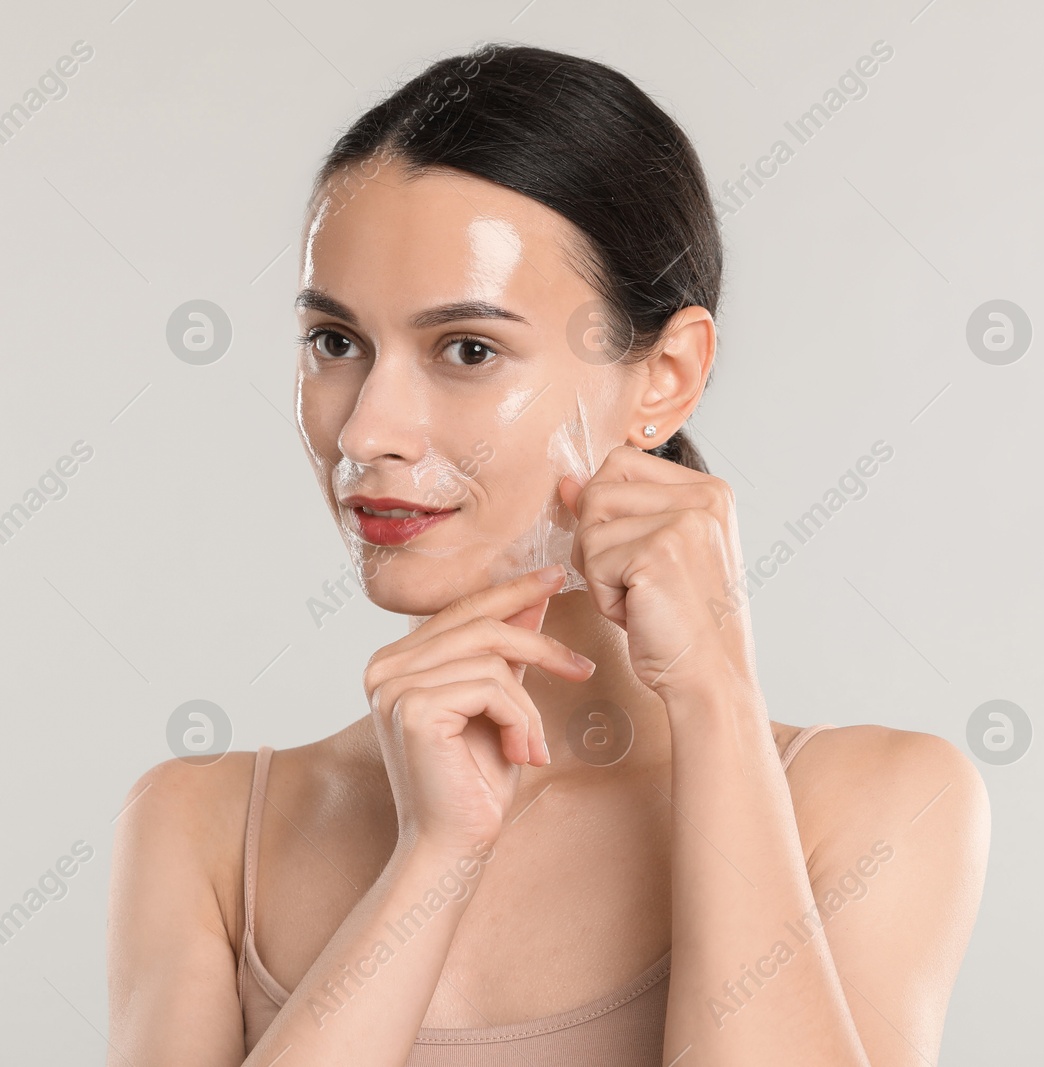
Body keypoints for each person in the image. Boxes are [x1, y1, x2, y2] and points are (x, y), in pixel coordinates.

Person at [106, 42, 989, 1066]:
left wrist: (716, 699)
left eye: (468, 350)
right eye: (336, 342)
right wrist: (432, 858)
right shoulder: (202, 829)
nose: (365, 433)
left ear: (664, 374)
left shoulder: (877, 802)